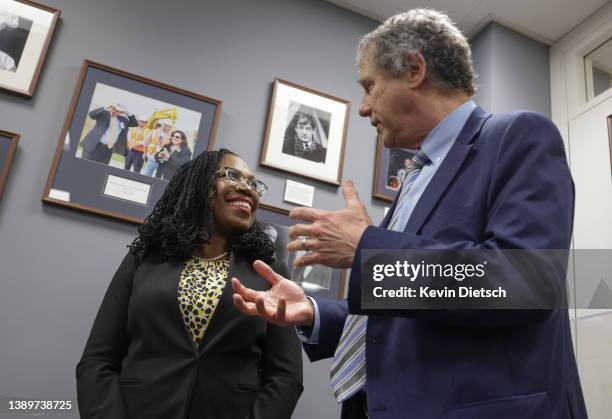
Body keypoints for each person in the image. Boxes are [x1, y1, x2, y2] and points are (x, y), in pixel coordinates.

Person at [232, 8, 587, 419]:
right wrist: (314, 312)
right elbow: (400, 310)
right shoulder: (414, 179)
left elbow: (524, 282)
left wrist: (368, 248)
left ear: (415, 69)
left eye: (369, 86)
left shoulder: (518, 136)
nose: (364, 107)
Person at [76, 149, 303, 419]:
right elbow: (98, 359)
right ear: (198, 185)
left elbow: (286, 375)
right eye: (233, 176)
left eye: (254, 184)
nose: (248, 189)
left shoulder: (268, 271)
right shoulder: (145, 258)